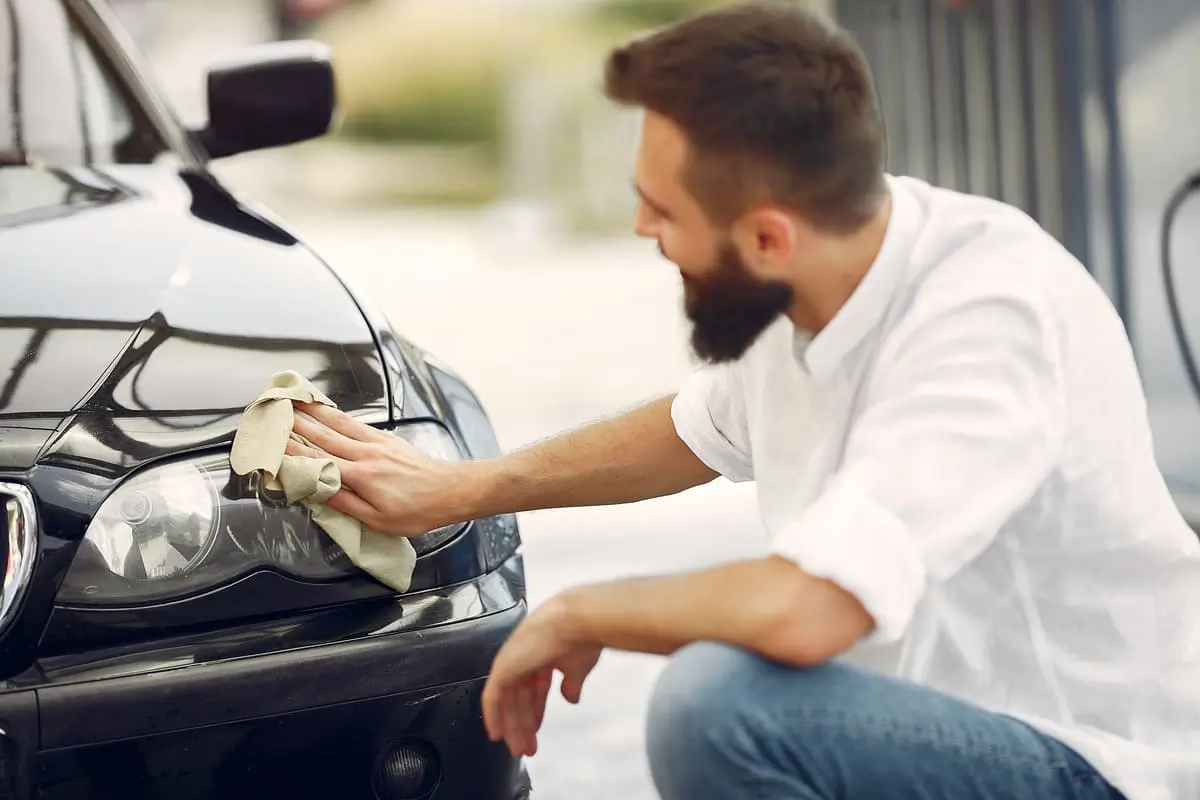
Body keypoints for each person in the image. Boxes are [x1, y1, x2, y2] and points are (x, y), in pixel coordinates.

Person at [285, 2, 1200, 798]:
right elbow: (694, 430)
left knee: (717, 708)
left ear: (767, 235)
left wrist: (576, 609)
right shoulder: (818, 268)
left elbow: (812, 609)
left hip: (1094, 764)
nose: (643, 228)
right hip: (926, 731)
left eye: (663, 210)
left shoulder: (988, 318)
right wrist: (462, 489)